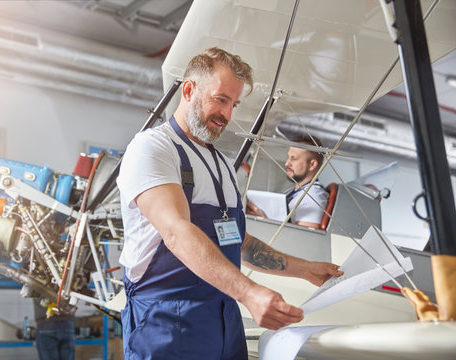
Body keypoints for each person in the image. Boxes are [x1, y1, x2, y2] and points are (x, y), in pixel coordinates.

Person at [116, 47, 343, 359]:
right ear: (188, 90)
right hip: (166, 321)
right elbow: (176, 232)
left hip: (223, 317)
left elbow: (238, 242)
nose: (227, 115)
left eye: (234, 104)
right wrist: (249, 292)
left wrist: (306, 270)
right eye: (220, 99)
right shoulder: (153, 148)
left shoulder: (221, 163)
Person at [284, 135, 329, 229]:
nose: (287, 163)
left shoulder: (313, 198)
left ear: (312, 164)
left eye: (294, 158)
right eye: (288, 157)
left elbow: (302, 239)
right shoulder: (294, 192)